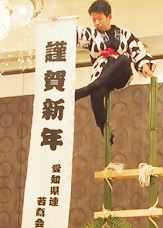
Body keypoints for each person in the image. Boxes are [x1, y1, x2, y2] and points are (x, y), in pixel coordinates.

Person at [52, 0, 156, 145]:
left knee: (124, 59)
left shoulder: (124, 33)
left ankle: (86, 89)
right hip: (102, 72)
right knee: (96, 95)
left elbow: (137, 49)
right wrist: (58, 23)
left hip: (120, 72)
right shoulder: (92, 34)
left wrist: (144, 65)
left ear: (109, 17)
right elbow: (73, 32)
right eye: (94, 20)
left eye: (100, 19)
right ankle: (104, 129)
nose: (97, 23)